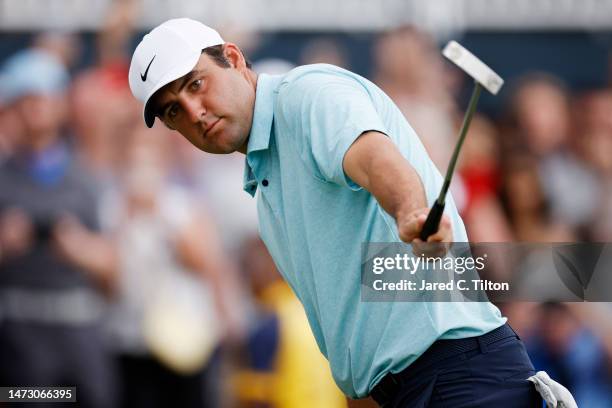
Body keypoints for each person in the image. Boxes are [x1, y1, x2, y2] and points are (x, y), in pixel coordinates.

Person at [128, 18, 541, 407]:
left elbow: (378, 159)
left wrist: (411, 211)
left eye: (197, 83)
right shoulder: (264, 175)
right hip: (405, 390)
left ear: (234, 59)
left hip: (461, 375)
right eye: (173, 111)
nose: (193, 111)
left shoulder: (308, 96)